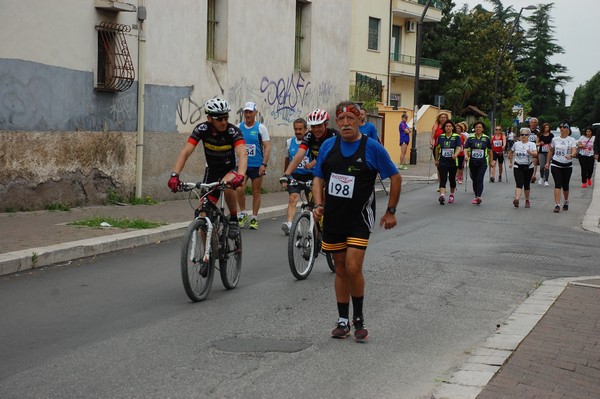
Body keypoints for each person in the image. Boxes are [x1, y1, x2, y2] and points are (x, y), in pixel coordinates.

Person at [312, 101, 401, 342]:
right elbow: (318, 178)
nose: (346, 123)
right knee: (340, 269)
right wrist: (318, 205)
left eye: (351, 118)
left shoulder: (371, 148)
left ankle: (358, 318)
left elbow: (395, 177)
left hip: (359, 218)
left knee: (353, 267)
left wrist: (390, 211)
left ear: (360, 120)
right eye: (341, 119)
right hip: (334, 218)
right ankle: (343, 321)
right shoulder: (329, 146)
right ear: (336, 122)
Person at [168, 97, 246, 238]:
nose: (224, 122)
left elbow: (242, 154)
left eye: (226, 118)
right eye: (219, 119)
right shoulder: (202, 129)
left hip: (230, 170)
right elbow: (185, 152)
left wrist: (240, 175)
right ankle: (206, 256)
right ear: (209, 118)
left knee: (227, 185)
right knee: (203, 213)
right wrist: (175, 175)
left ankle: (234, 219)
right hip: (212, 171)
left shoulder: (233, 131)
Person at [236, 102, 271, 230]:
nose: (248, 114)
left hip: (257, 165)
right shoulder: (238, 127)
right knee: (239, 189)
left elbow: (267, 147)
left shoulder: (261, 128)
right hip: (242, 165)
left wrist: (264, 164)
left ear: (255, 113)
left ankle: (254, 218)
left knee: (256, 191)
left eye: (251, 112)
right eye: (246, 112)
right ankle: (243, 213)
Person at [281, 108, 337, 178]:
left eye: (319, 126)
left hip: (334, 169)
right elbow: (299, 155)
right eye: (313, 126)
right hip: (319, 171)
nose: (316, 130)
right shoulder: (309, 136)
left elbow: (328, 157)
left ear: (326, 124)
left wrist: (311, 164)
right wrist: (286, 175)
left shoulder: (333, 136)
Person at [280, 118, 313, 235]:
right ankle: (289, 224)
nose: (298, 131)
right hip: (295, 176)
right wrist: (285, 176)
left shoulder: (311, 142)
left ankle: (312, 225)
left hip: (310, 176)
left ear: (306, 129)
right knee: (293, 198)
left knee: (311, 201)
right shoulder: (289, 142)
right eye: (295, 129)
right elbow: (287, 160)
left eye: (300, 129)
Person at [545, 121, 577, 213]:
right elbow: (551, 151)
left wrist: (571, 155)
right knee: (557, 184)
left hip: (567, 165)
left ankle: (566, 201)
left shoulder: (571, 140)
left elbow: (574, 151)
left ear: (568, 129)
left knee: (565, 185)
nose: (562, 129)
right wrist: (548, 162)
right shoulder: (555, 139)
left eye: (564, 127)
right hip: (556, 163)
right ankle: (557, 205)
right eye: (560, 127)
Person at [464, 121, 493, 204]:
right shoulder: (470, 138)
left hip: (483, 162)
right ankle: (476, 194)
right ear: (474, 128)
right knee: (475, 179)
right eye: (476, 127)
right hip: (472, 161)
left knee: (480, 178)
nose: (478, 128)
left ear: (483, 129)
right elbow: (465, 148)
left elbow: (490, 151)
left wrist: (491, 161)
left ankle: (478, 196)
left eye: (480, 127)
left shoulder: (486, 138)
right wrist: (466, 155)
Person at [434, 120, 462, 204]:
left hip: (453, 162)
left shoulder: (456, 137)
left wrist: (456, 155)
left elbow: (459, 147)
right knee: (443, 177)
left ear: (452, 127)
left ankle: (452, 195)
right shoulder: (441, 137)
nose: (448, 127)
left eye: (450, 126)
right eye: (446, 126)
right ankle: (442, 195)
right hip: (443, 160)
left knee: (452, 179)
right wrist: (436, 159)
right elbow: (437, 148)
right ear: (444, 128)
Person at [509, 128, 537, 208]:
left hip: (528, 167)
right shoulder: (516, 144)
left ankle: (527, 200)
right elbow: (511, 152)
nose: (524, 136)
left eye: (526, 135)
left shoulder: (532, 144)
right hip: (518, 166)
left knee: (527, 185)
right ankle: (517, 199)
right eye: (522, 135)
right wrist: (511, 162)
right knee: (519, 183)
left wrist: (530, 153)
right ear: (519, 136)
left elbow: (535, 154)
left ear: (529, 136)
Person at [528, 117, 541, 183]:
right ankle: (528, 175)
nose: (533, 124)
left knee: (534, 162)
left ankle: (534, 175)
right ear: (529, 123)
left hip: (535, 148)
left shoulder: (538, 132)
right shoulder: (527, 131)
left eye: (534, 123)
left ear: (536, 124)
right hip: (527, 148)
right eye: (532, 122)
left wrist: (538, 144)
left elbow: (539, 140)